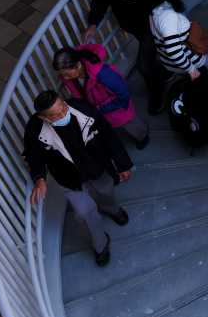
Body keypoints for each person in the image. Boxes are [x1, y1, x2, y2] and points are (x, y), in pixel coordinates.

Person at [23, 89, 133, 267]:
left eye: (63, 108)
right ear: (44, 118)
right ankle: (101, 245)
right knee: (84, 213)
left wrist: (123, 164)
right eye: (55, 115)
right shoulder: (35, 129)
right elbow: (33, 156)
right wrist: (39, 178)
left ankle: (112, 209)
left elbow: (108, 135)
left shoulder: (82, 108)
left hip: (97, 167)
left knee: (106, 190)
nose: (62, 114)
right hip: (69, 179)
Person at [80, 0, 168, 112]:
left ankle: (158, 92)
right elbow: (99, 0)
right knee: (151, 52)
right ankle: (163, 71)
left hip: (150, 23)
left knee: (143, 64)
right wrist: (93, 24)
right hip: (132, 24)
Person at [55, 45, 150, 147]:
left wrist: (106, 107)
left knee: (131, 124)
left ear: (78, 65)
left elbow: (123, 93)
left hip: (117, 108)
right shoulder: (72, 76)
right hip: (101, 109)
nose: (65, 78)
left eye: (67, 74)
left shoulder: (103, 73)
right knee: (116, 124)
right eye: (62, 74)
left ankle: (143, 136)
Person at [149, 0, 208, 82]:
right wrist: (192, 70)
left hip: (171, 64)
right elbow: (173, 50)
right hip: (193, 60)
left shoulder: (154, 10)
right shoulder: (168, 16)